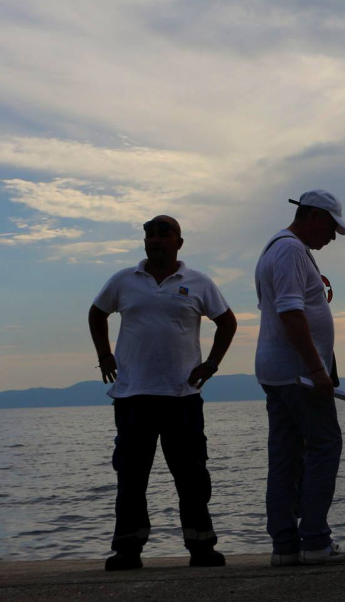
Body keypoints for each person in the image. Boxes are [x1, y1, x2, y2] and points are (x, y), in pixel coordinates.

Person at [88, 215, 237, 571]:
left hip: (181, 395)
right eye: (150, 236)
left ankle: (201, 546)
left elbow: (227, 322)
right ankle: (128, 549)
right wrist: (104, 355)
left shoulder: (198, 282)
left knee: (191, 474)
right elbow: (97, 313)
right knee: (131, 475)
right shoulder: (124, 280)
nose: (155, 241)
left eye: (163, 235)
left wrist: (211, 365)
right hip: (133, 395)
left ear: (178, 243)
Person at [254, 190, 345, 566]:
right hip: (299, 374)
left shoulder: (276, 248)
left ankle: (285, 546)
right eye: (331, 227)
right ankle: (314, 540)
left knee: (285, 457)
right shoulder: (291, 251)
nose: (332, 237)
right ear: (313, 216)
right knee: (324, 446)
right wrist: (317, 369)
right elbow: (290, 313)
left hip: (277, 372)